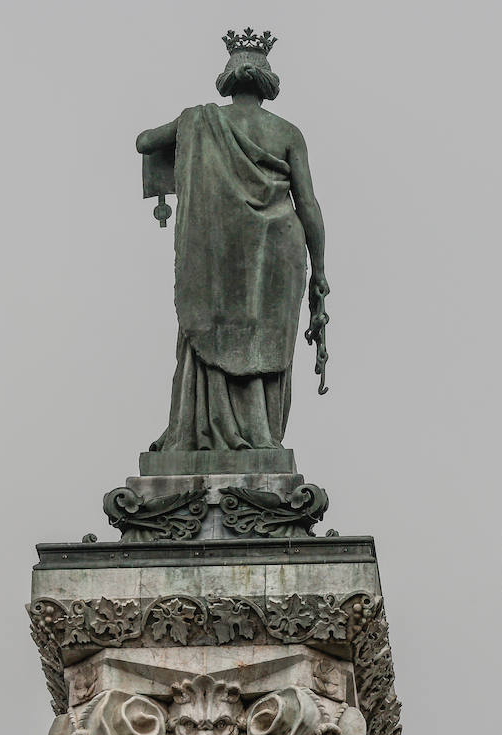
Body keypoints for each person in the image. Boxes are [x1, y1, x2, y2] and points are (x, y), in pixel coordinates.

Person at [136, 30, 328, 452]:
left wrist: (189, 133)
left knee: (212, 330)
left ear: (227, 78)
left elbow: (144, 142)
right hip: (279, 248)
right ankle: (259, 432)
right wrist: (320, 270)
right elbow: (309, 205)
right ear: (268, 83)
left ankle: (206, 430)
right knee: (263, 342)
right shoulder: (288, 133)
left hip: (216, 253)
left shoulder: (200, 119)